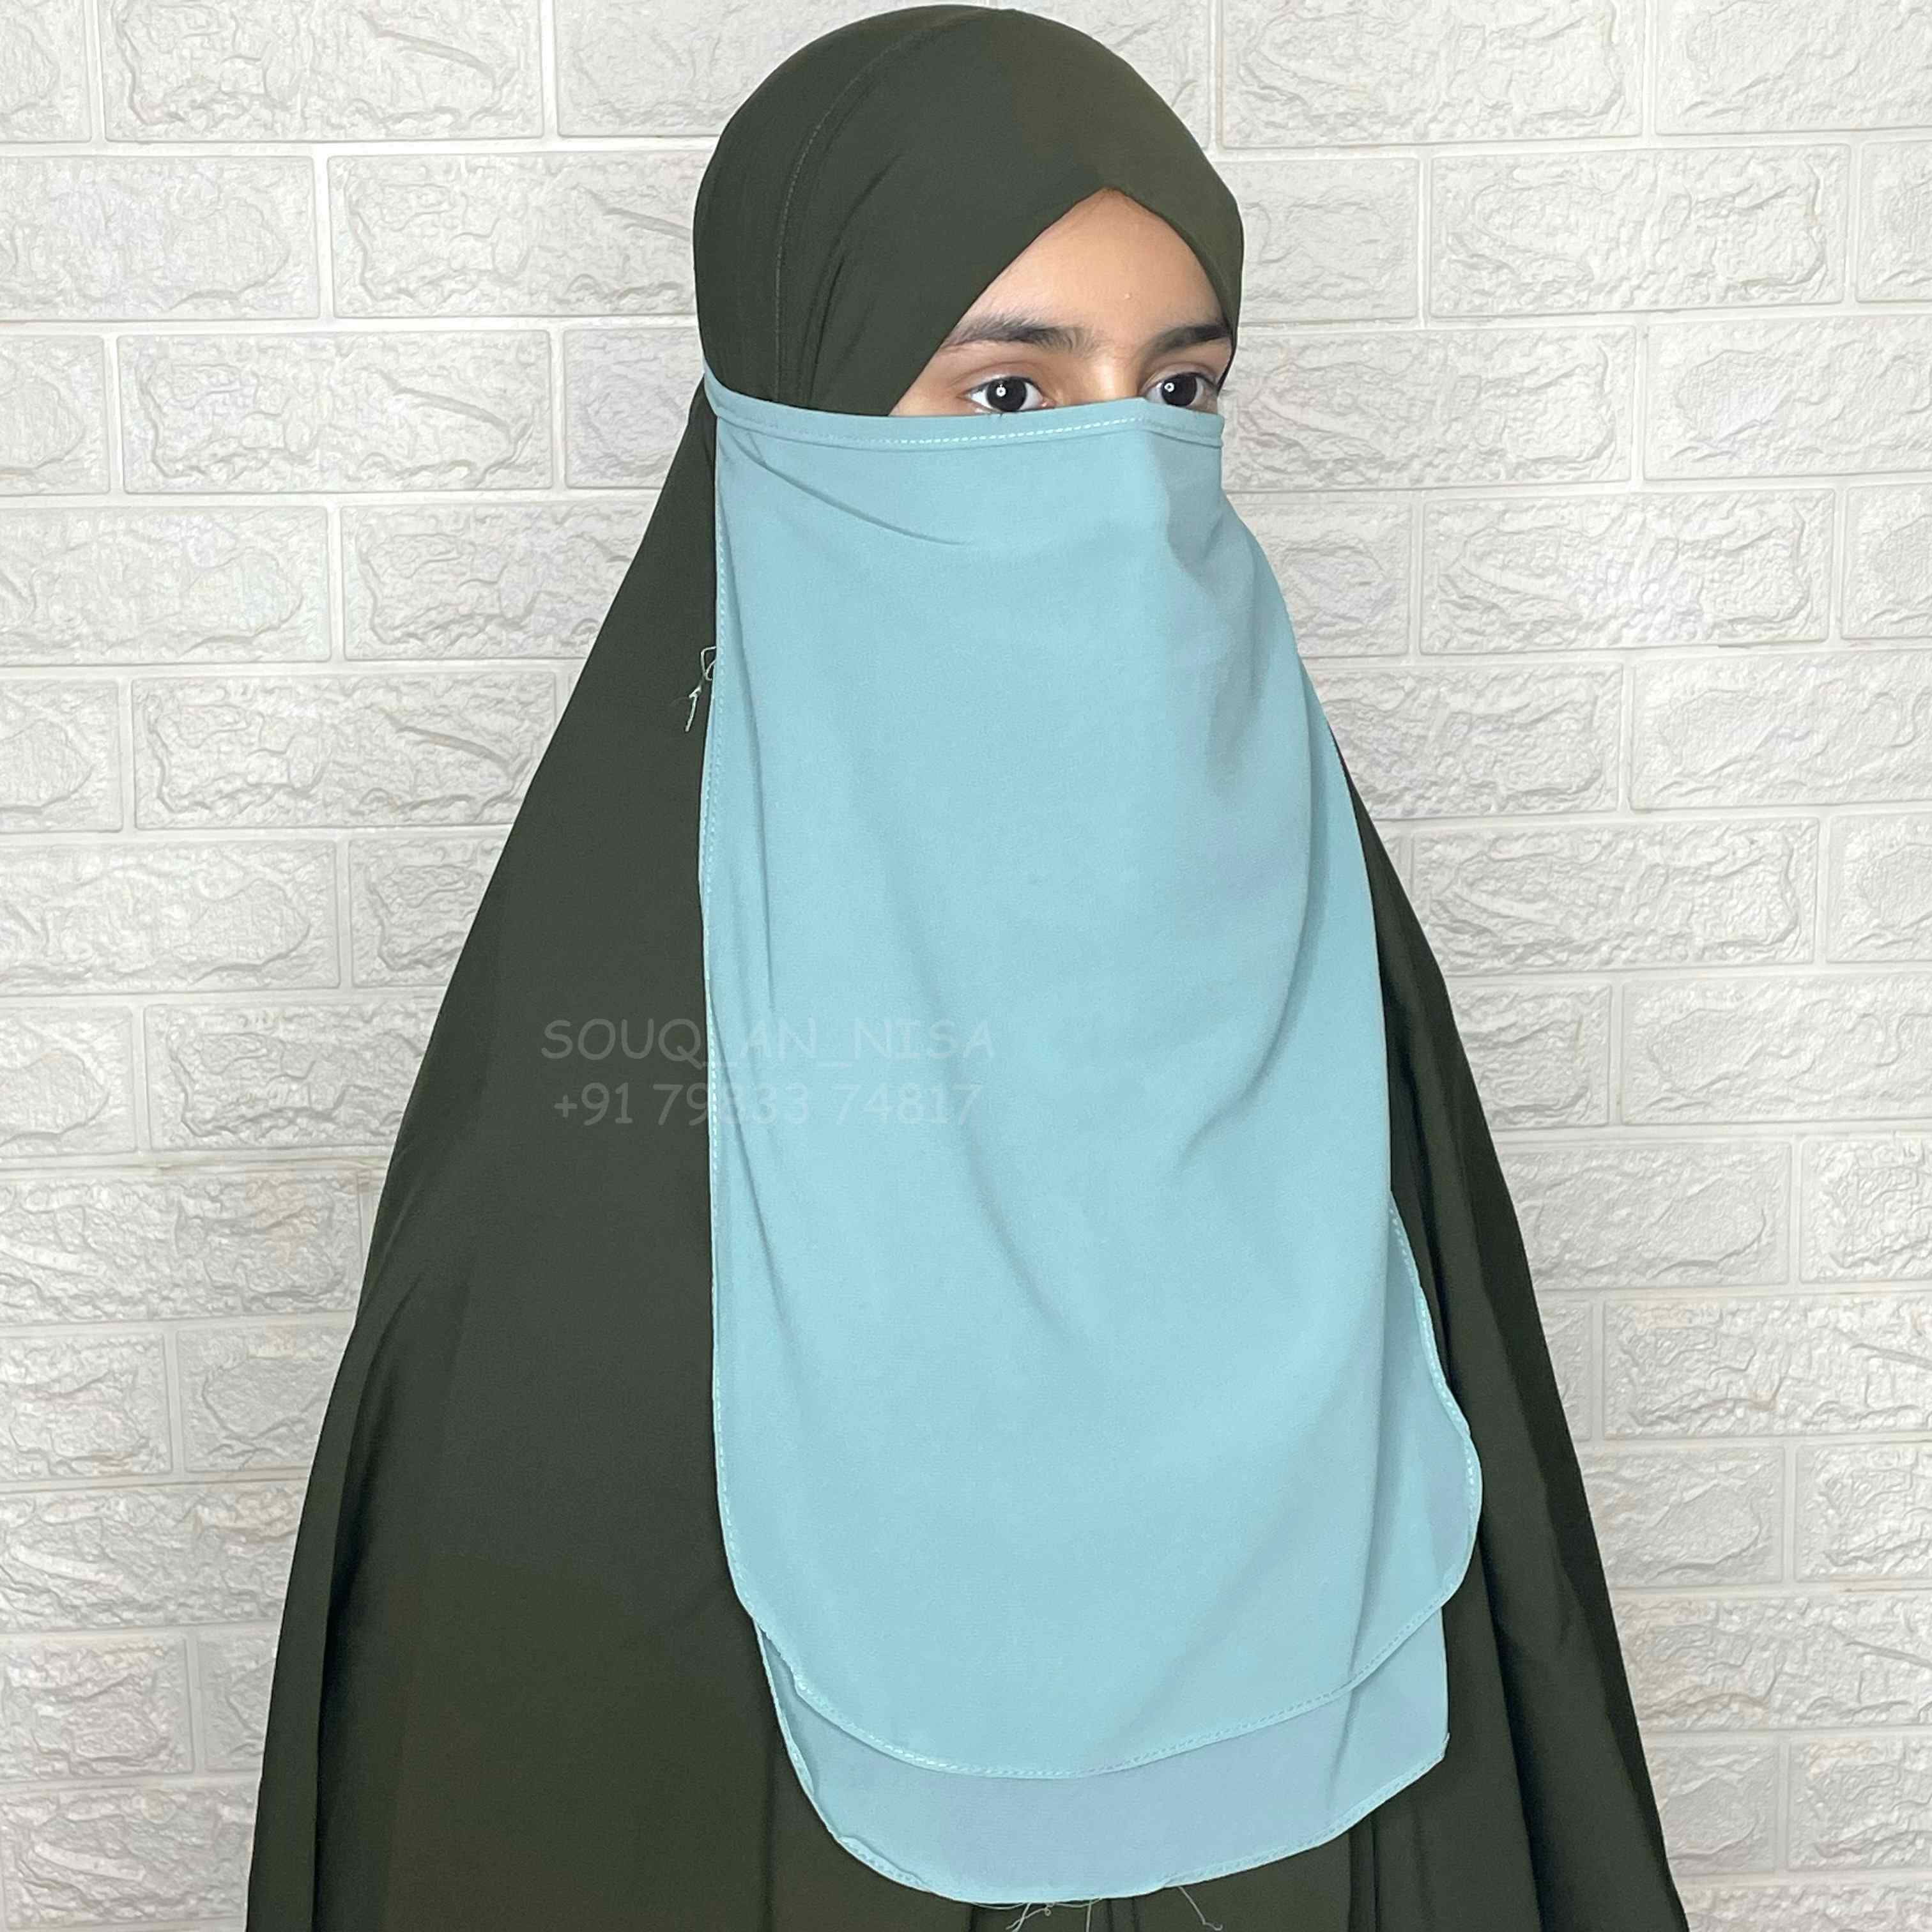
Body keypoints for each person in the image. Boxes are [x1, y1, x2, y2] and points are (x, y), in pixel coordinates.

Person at [243, 8, 1692, 1929]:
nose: (1125, 483)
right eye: (1008, 397)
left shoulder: (1315, 947)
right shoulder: (597, 1128)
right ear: (796, 410)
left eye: (1181, 392)